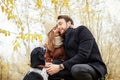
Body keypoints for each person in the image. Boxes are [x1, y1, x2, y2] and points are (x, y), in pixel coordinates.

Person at [46, 15, 107, 80]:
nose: (58, 27)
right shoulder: (64, 40)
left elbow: (83, 55)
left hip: (93, 67)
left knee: (77, 69)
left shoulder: (81, 30)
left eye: (60, 24)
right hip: (73, 67)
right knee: (52, 69)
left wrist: (60, 66)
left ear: (69, 23)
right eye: (57, 25)